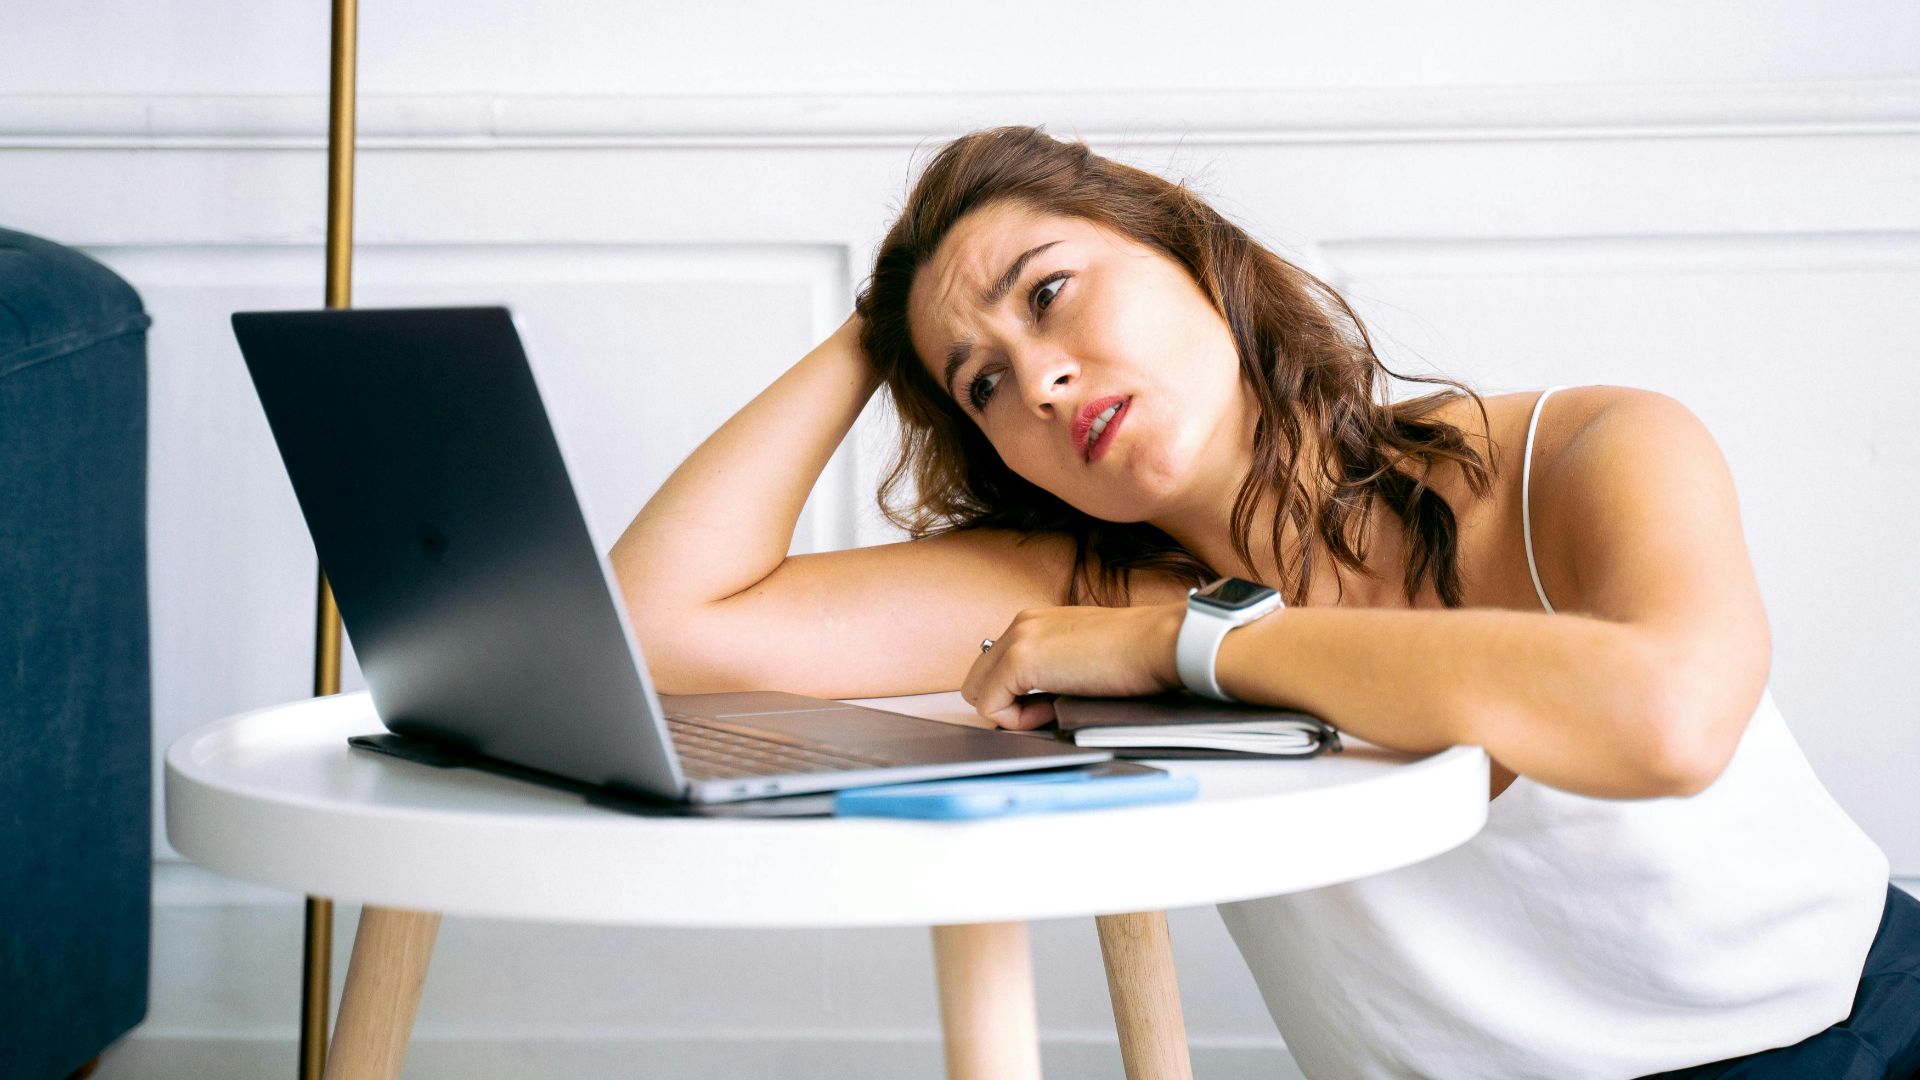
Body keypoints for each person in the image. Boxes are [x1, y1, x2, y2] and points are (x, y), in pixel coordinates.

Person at [611, 126, 1918, 1078]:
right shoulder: (1068, 587)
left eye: (1049, 292)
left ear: (1188, 245)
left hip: (1852, 1023)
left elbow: (1670, 724)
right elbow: (661, 625)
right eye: (983, 384)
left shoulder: (1581, 453)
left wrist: (1189, 645)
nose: (1041, 381)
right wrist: (887, 315)